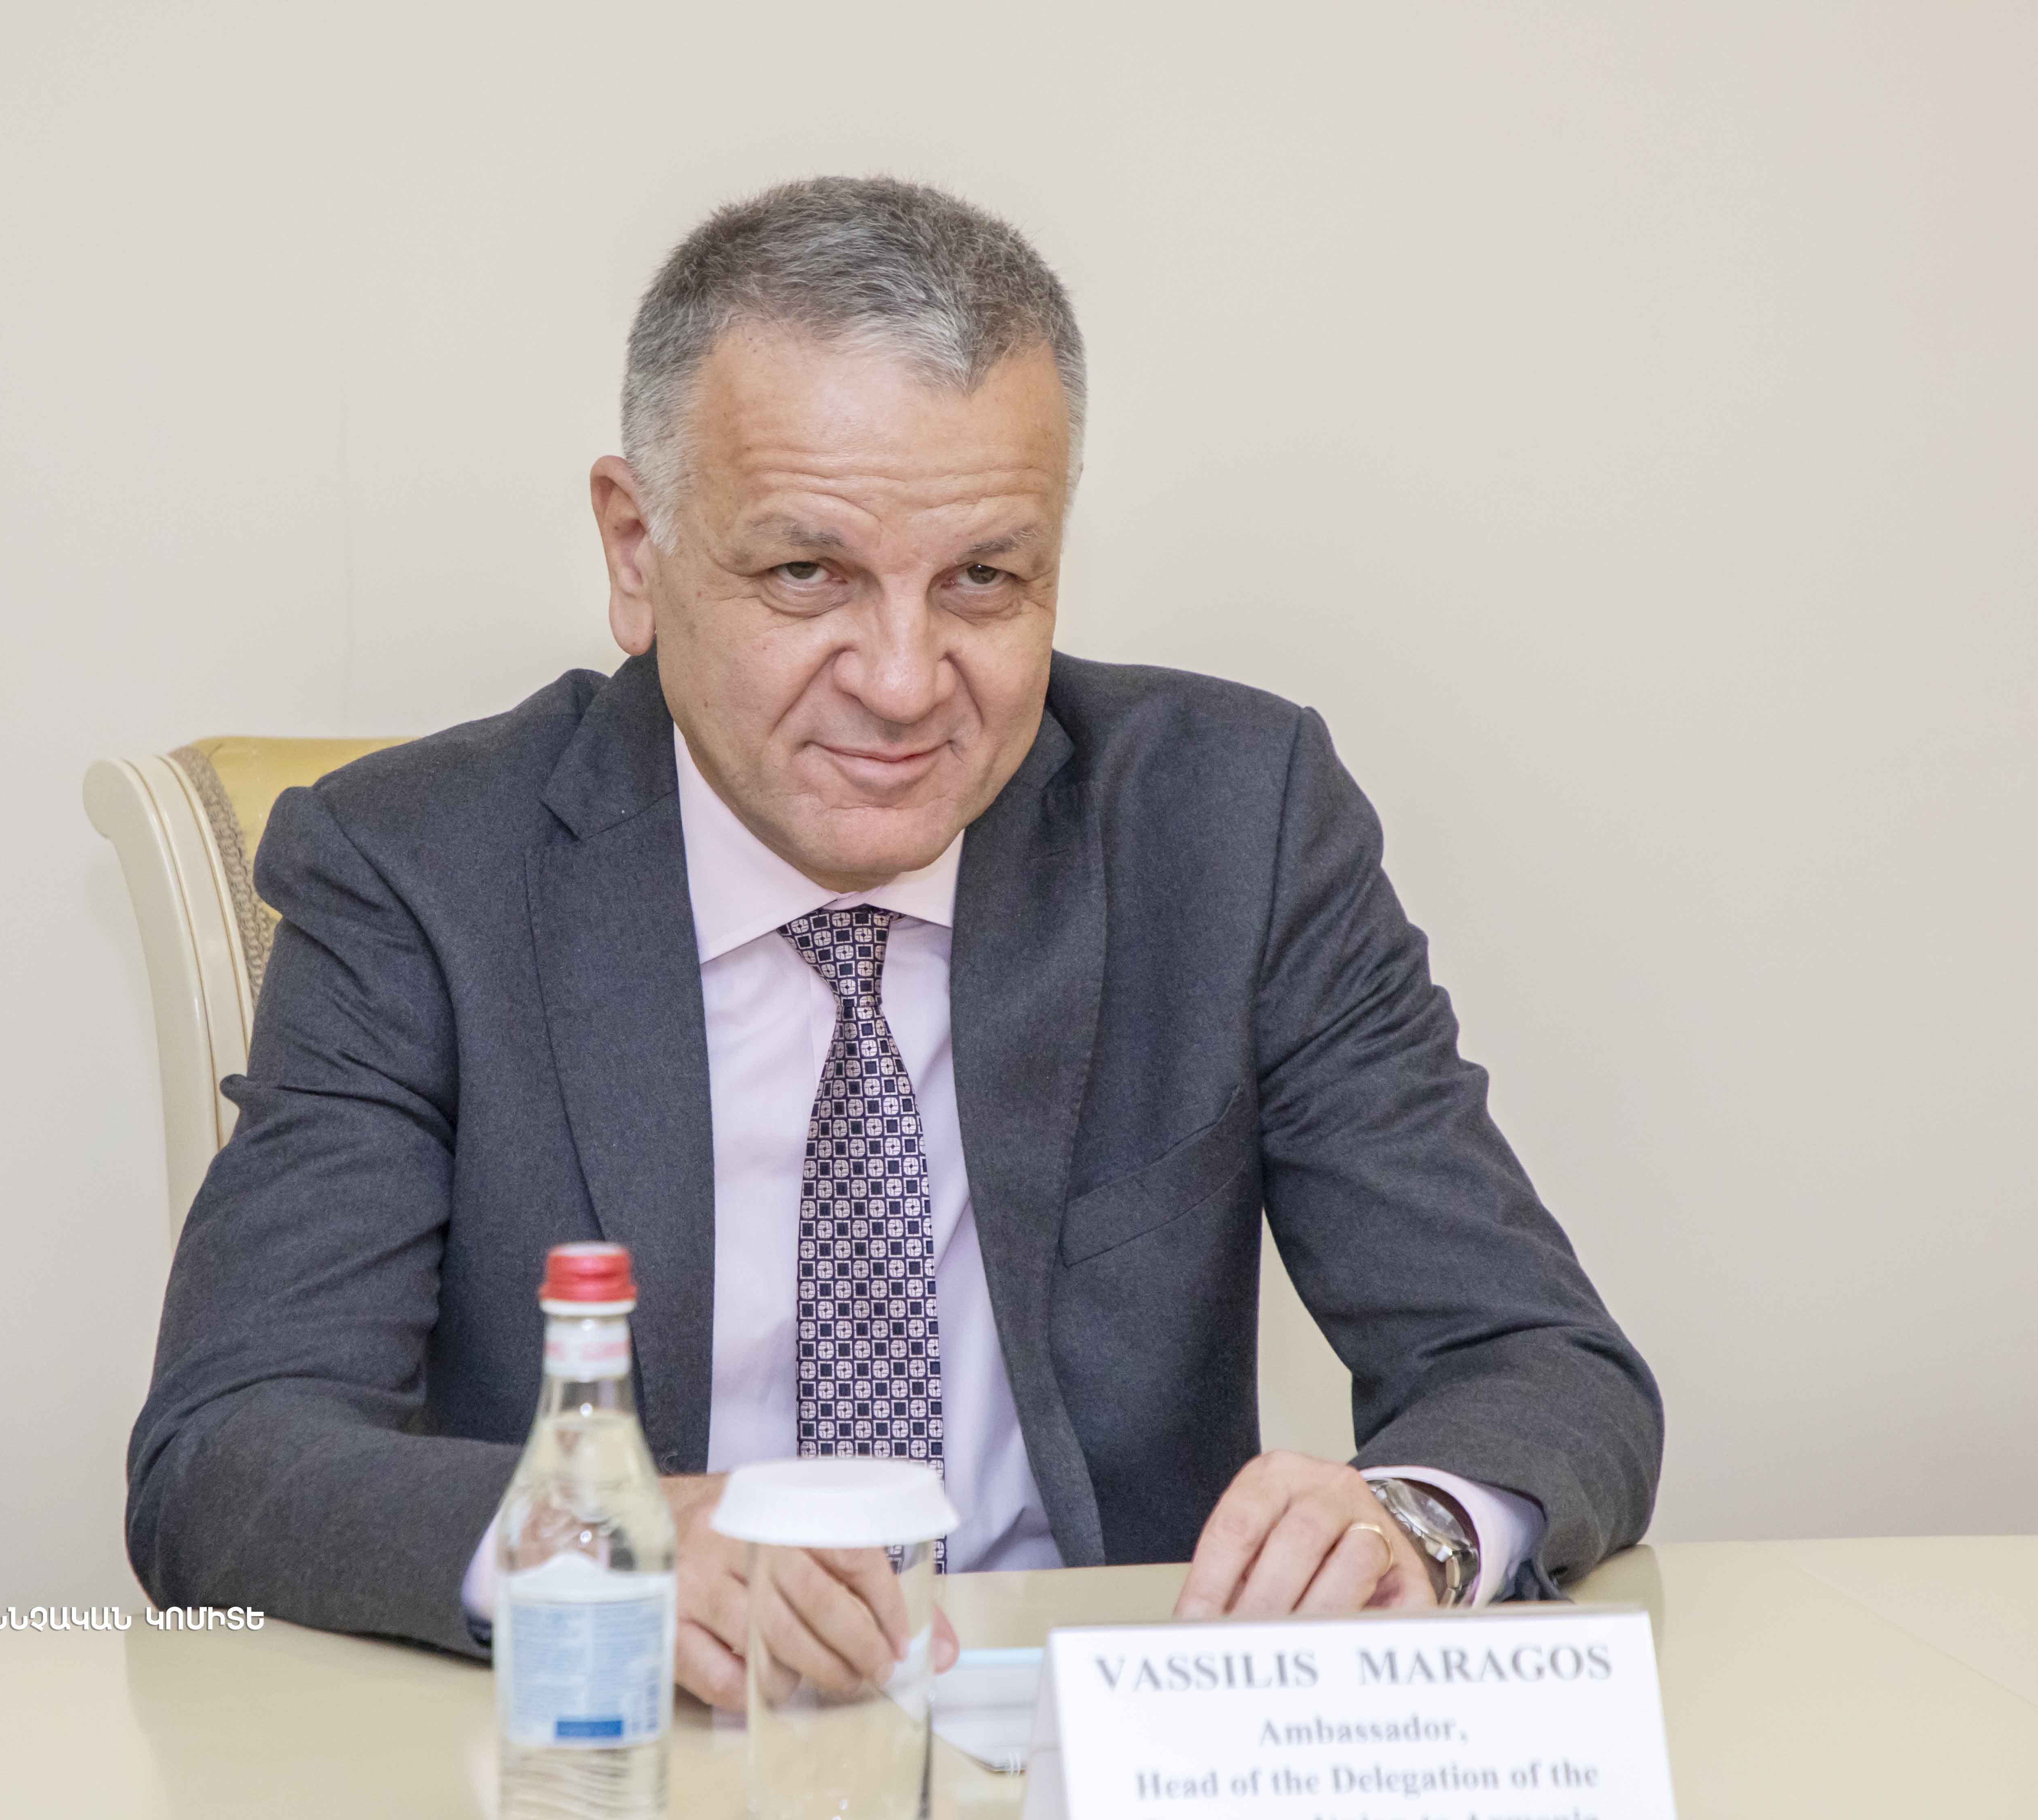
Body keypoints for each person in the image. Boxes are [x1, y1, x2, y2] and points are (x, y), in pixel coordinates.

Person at [126, 176, 1661, 1707]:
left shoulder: (1229, 825)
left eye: (983, 579)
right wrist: (597, 1544)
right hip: (625, 1749)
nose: (907, 681)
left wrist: (1417, 1526)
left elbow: (1537, 1364)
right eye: (809, 575)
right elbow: (229, 1453)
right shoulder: (418, 872)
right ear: (635, 549)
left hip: (1094, 1743)